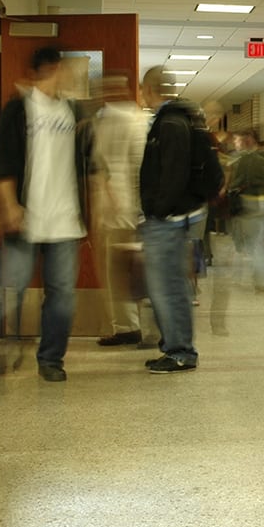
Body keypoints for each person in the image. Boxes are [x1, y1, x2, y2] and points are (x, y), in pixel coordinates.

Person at [0, 46, 95, 382]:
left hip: (65, 220)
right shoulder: (18, 109)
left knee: (62, 296)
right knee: (10, 288)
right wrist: (6, 206)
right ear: (52, 69)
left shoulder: (74, 111)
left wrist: (95, 211)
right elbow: (3, 162)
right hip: (26, 219)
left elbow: (89, 166)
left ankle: (50, 359)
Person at [137, 67, 211, 373]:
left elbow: (173, 173)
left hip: (168, 219)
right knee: (171, 285)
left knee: (165, 287)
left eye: (142, 89)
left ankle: (180, 351)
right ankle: (175, 347)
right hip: (173, 216)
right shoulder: (177, 119)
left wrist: (158, 210)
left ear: (149, 88)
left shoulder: (169, 123)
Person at [91, 73, 159, 349]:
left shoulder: (122, 121)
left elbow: (137, 167)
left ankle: (130, 327)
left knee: (119, 272)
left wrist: (133, 208)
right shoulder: (130, 119)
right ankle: (131, 326)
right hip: (122, 211)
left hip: (122, 211)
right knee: (124, 272)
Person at [227, 129, 264, 292]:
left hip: (249, 201)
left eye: (238, 140)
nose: (236, 143)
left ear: (248, 140)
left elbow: (238, 182)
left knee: (250, 244)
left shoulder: (245, 159)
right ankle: (262, 280)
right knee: (259, 243)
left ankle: (257, 278)